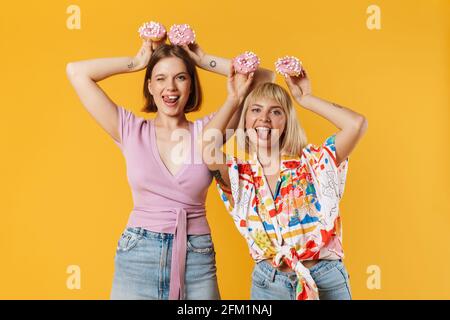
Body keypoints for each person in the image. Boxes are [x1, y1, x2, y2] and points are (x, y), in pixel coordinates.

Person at [66, 34, 274, 300]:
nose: (171, 87)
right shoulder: (129, 129)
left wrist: (200, 59)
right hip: (138, 255)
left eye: (181, 77)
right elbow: (76, 72)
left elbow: (264, 79)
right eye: (160, 78)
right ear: (150, 86)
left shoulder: (211, 130)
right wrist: (137, 61)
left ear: (191, 86)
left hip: (196, 257)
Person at [200, 63, 368, 300]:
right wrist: (235, 98)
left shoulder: (313, 163)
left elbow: (356, 124)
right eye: (255, 110)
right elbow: (207, 146)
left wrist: (306, 98)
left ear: (287, 121)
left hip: (325, 277)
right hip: (269, 284)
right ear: (245, 120)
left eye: (276, 111)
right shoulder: (240, 175)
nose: (264, 119)